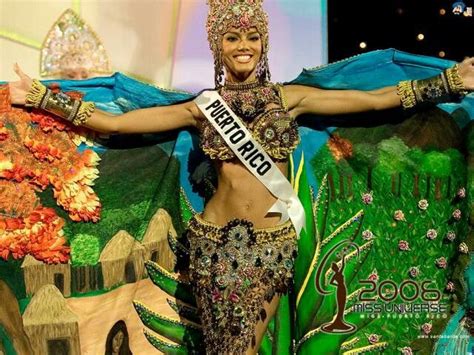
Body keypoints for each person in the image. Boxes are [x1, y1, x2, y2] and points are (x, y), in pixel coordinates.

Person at [7, 0, 474, 353]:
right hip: (212, 245)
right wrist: (45, 98)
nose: (244, 46)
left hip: (271, 246)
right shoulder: (201, 107)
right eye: (233, 38)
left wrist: (450, 83)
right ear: (219, 46)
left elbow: (373, 101)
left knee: (244, 347)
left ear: (263, 43)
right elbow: (113, 123)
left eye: (252, 36)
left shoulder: (290, 98)